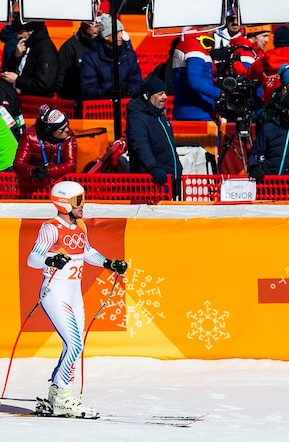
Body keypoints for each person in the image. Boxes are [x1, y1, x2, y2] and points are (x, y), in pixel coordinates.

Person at [27, 180, 128, 418]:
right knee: (75, 345)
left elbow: (87, 251)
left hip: (74, 294)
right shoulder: (51, 228)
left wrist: (108, 263)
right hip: (55, 293)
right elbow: (33, 258)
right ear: (63, 203)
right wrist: (50, 260)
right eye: (78, 201)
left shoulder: (81, 226)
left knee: (73, 346)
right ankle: (63, 397)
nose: (83, 205)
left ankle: (56, 395)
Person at [126, 77, 183, 193]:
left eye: (165, 93)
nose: (165, 97)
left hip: (172, 179)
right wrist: (153, 167)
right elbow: (141, 145)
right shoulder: (137, 119)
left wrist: (178, 167)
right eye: (160, 94)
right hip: (153, 184)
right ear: (148, 96)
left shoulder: (161, 116)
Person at [246, 26, 289, 104]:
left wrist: (235, 64)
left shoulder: (263, 61)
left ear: (274, 42)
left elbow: (246, 73)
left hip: (269, 109)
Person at [80, 14, 142, 99]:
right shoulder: (91, 58)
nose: (121, 36)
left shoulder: (129, 55)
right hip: (102, 106)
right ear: (106, 36)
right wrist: (105, 92)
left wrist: (129, 90)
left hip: (127, 104)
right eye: (117, 32)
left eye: (121, 31)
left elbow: (137, 82)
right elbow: (88, 88)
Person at [13, 105, 76, 182]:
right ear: (49, 131)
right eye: (62, 129)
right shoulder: (29, 135)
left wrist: (48, 170)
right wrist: (33, 171)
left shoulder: (69, 136)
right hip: (34, 183)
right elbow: (19, 164)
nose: (67, 130)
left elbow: (71, 164)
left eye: (67, 125)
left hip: (60, 182)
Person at [171, 27, 221, 121]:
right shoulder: (193, 46)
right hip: (197, 115)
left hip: (189, 112)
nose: (215, 30)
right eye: (213, 25)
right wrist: (220, 93)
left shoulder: (188, 44)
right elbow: (195, 81)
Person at [2, 20, 59, 98]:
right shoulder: (28, 44)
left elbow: (44, 84)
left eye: (20, 32)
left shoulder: (45, 50)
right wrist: (16, 57)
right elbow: (18, 70)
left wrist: (18, 80)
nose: (17, 36)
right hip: (23, 98)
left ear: (31, 31)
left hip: (38, 102)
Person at [56, 19, 101, 101]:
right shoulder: (70, 47)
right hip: (76, 101)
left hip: (98, 101)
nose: (98, 30)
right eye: (96, 26)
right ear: (85, 25)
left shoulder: (102, 44)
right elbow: (61, 79)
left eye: (100, 26)